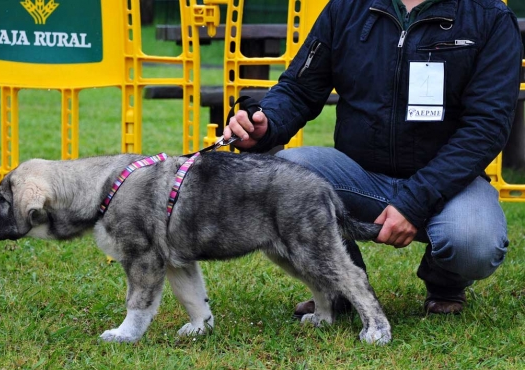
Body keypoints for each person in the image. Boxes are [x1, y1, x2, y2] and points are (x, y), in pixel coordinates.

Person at [223, 0, 523, 315]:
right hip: (360, 179)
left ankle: (445, 281)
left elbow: (485, 128)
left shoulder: (490, 18)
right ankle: (343, 286)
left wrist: (414, 200)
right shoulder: (344, 9)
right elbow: (299, 90)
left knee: (474, 241)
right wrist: (266, 123)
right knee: (285, 177)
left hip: (449, 185)